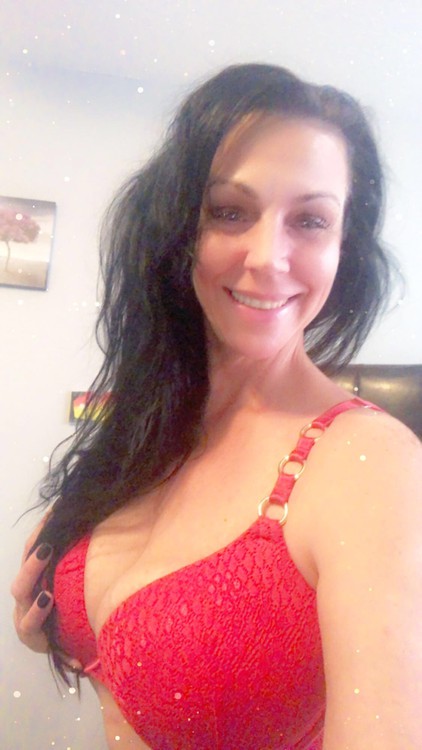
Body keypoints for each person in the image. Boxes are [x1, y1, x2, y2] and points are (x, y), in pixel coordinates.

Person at [11, 63, 422, 750]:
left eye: (311, 221)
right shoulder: (157, 421)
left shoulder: (371, 466)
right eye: (230, 211)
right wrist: (57, 632)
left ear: (343, 248)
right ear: (177, 227)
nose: (268, 257)